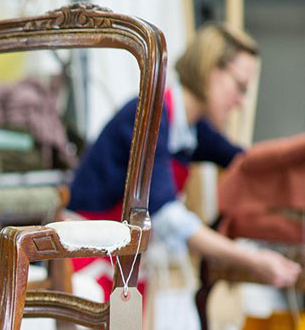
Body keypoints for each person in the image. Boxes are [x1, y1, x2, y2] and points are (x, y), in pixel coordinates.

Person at [69, 23, 301, 294]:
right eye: (239, 87)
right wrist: (252, 259)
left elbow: (247, 163)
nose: (241, 102)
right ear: (210, 69)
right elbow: (166, 215)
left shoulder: (193, 129)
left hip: (121, 259)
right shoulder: (149, 115)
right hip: (83, 255)